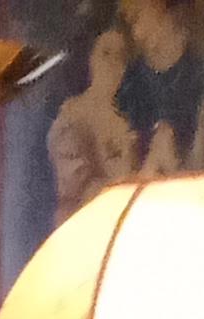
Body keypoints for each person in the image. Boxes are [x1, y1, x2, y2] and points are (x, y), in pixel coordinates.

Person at [115, 0, 204, 178]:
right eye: (131, 23)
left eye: (138, 17)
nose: (137, 34)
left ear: (166, 10)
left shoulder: (199, 76)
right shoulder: (133, 82)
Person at [45, 23, 136, 217]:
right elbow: (77, 186)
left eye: (121, 57)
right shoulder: (72, 117)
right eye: (106, 53)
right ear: (90, 59)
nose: (114, 64)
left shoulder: (122, 121)